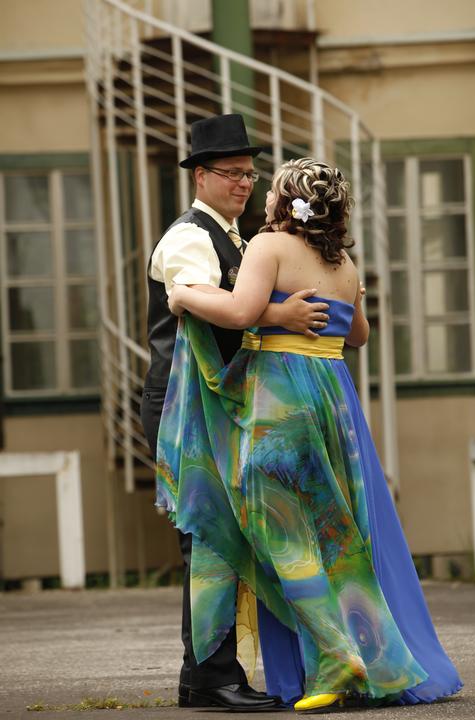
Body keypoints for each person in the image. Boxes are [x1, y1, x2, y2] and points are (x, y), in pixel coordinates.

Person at [158, 157, 463, 711]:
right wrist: (349, 296)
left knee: (281, 530)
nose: (262, 194)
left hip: (282, 399)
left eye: (271, 188)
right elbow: (359, 336)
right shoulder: (343, 262)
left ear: (287, 202)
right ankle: (359, 653)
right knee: (336, 528)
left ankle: (334, 656)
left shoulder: (269, 245)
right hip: (333, 400)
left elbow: (241, 311)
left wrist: (182, 295)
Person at [140, 115, 330, 711]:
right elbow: (207, 303)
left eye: (250, 173)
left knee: (225, 540)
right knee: (210, 541)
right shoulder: (189, 237)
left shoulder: (238, 239)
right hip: (183, 407)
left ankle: (207, 675)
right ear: (200, 176)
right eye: (231, 172)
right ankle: (210, 679)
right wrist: (278, 315)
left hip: (217, 402)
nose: (244, 183)